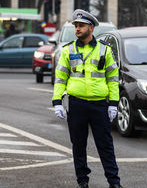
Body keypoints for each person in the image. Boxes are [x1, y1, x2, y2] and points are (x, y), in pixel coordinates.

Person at [52, 9, 122, 188]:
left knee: (105, 145)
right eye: (75, 25)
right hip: (77, 104)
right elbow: (60, 78)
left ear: (91, 28)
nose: (77, 29)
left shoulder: (104, 50)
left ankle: (114, 182)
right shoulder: (68, 50)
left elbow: (113, 79)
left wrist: (113, 104)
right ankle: (82, 180)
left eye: (81, 26)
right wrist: (57, 102)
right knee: (78, 144)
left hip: (99, 105)